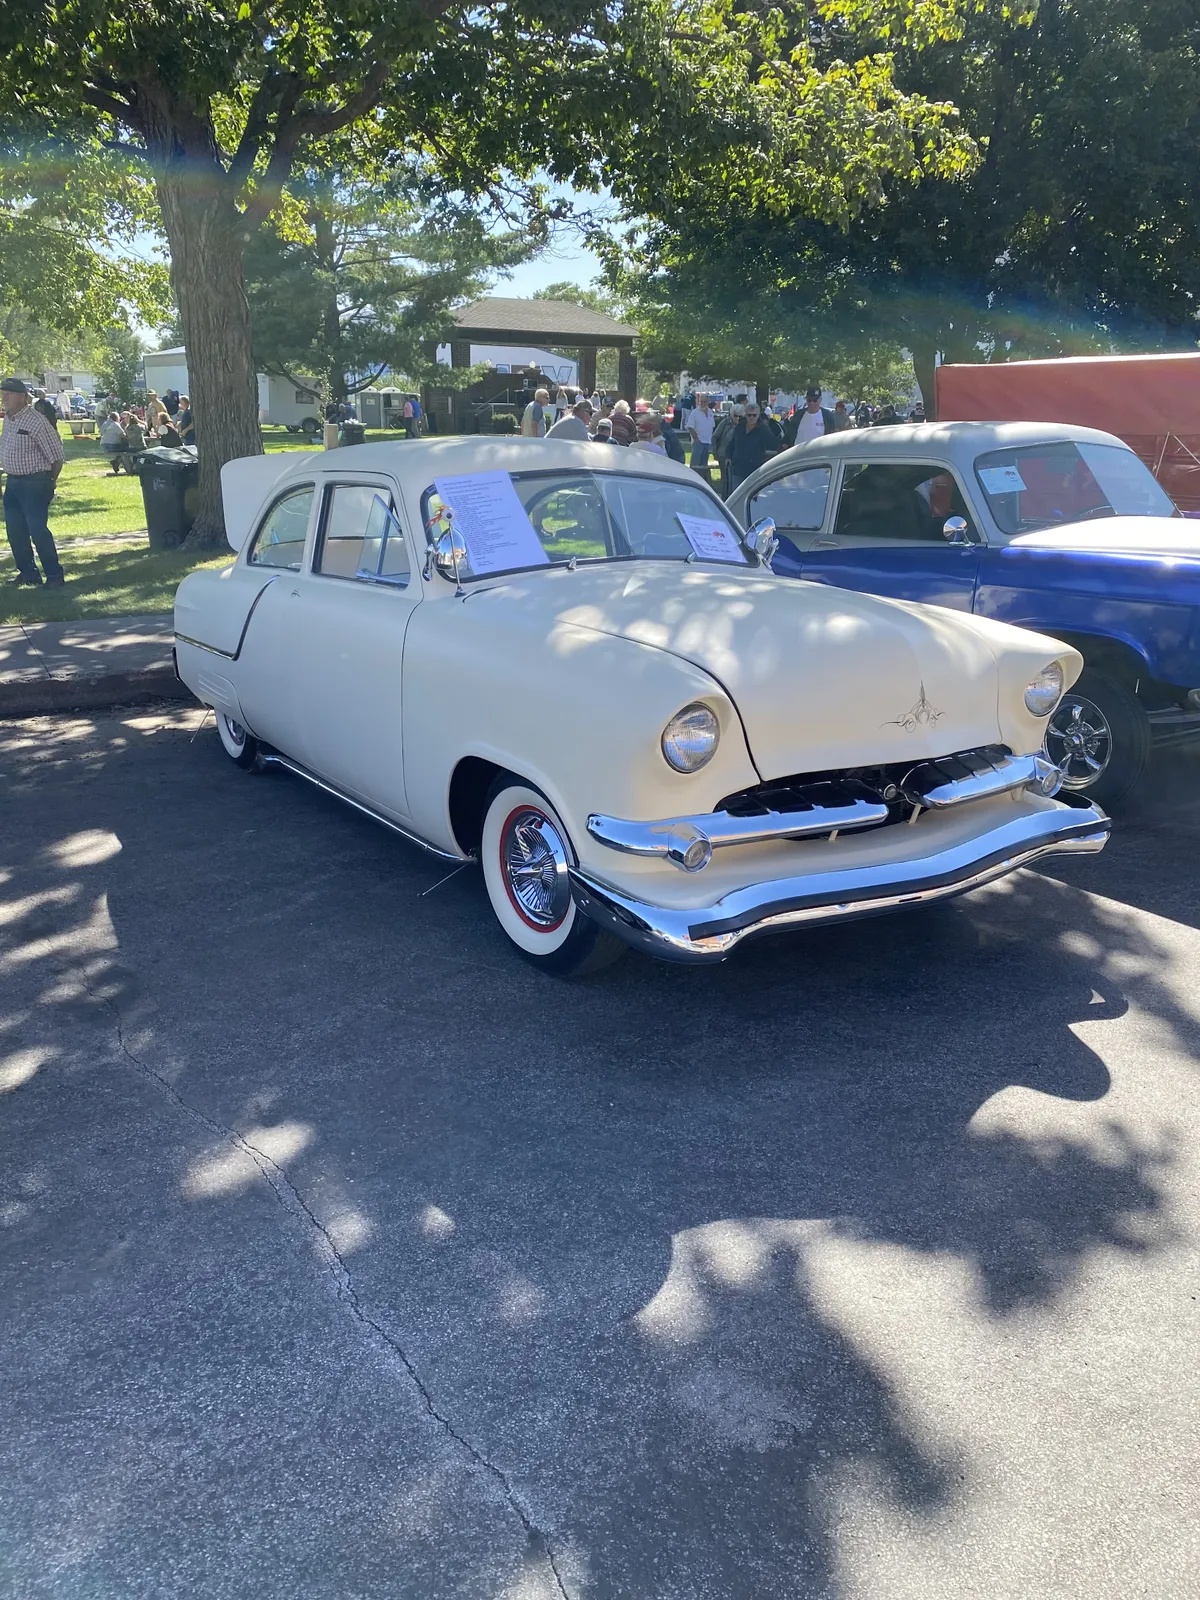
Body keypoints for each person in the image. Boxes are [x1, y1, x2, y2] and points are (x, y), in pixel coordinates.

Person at [0, 376, 66, 588]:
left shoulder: (37, 421)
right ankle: (28, 573)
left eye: (8, 394)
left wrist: (49, 483)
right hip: (12, 482)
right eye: (2, 394)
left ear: (22, 397)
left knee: (37, 530)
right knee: (15, 531)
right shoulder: (8, 420)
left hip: (35, 482)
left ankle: (54, 576)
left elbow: (56, 457)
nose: (4, 398)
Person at [728, 402, 778, 491]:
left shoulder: (763, 429)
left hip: (754, 470)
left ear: (758, 415)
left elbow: (774, 444)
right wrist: (728, 456)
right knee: (736, 495)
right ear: (745, 415)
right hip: (738, 468)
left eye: (754, 415)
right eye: (749, 415)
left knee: (752, 496)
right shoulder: (740, 426)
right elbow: (732, 442)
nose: (751, 417)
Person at [684, 391, 715, 476]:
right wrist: (696, 440)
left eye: (705, 402)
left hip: (708, 442)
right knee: (695, 466)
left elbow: (712, 426)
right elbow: (690, 426)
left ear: (708, 402)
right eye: (701, 401)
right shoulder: (694, 413)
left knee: (704, 466)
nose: (702, 403)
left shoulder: (711, 412)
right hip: (699, 442)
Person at [712, 401, 739, 496]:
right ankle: (725, 498)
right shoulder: (725, 423)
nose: (738, 418)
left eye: (740, 416)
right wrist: (714, 452)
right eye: (736, 416)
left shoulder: (743, 425)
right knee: (725, 478)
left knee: (734, 478)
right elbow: (715, 436)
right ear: (731, 415)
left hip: (736, 456)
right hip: (723, 454)